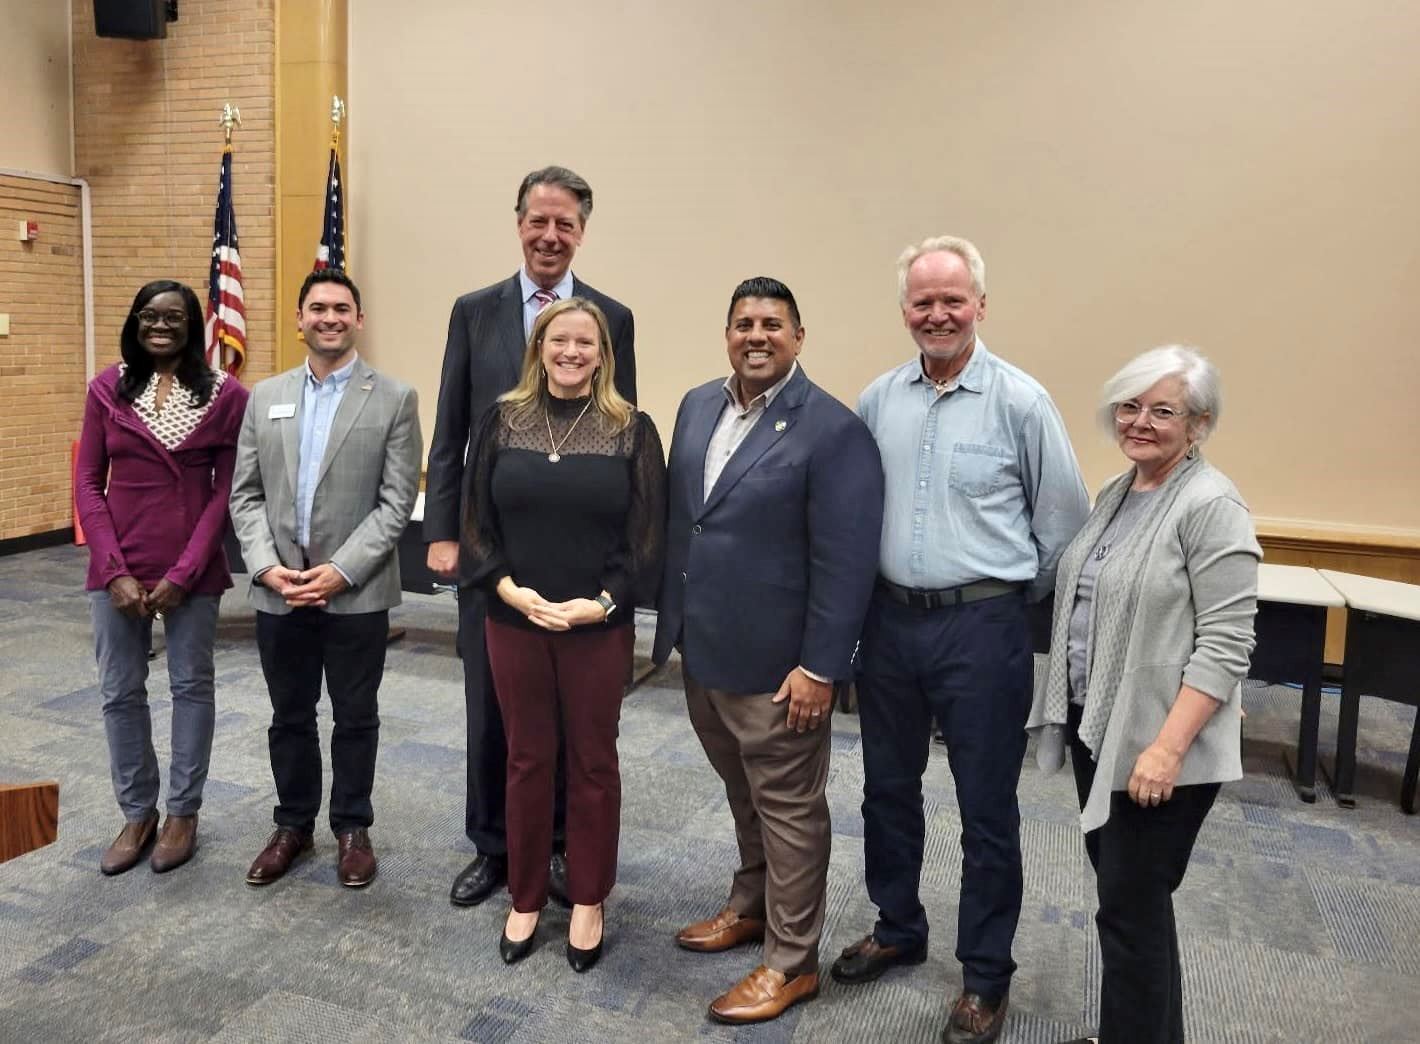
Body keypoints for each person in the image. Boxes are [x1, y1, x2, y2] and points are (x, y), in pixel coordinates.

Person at [835, 235, 1089, 1044]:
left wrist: (999, 605)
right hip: (890, 624)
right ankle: (898, 925)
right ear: (904, 311)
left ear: (981, 304)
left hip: (983, 629)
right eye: (922, 302)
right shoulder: (878, 399)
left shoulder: (1020, 402)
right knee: (886, 789)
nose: (937, 314)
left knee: (986, 811)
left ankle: (985, 976)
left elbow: (1064, 534)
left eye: (953, 300)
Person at [653, 277, 883, 1024]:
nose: (757, 335)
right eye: (744, 323)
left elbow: (845, 563)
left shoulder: (831, 429)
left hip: (782, 672)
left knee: (790, 813)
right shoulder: (696, 406)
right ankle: (750, 906)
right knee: (741, 794)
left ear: (799, 337)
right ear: (727, 334)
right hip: (706, 654)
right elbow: (690, 522)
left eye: (773, 324)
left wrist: (821, 666)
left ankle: (790, 963)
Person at [1029, 346, 1259, 1044]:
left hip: (1160, 748)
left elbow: (1227, 643)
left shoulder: (1211, 504)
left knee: (1129, 910)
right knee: (1134, 907)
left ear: (1200, 424)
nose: (1140, 421)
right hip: (1106, 730)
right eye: (1130, 406)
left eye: (1163, 410)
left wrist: (1166, 748)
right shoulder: (1119, 493)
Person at [424, 165, 637, 910]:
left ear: (582, 232)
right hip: (492, 554)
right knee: (494, 706)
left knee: (574, 719)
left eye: (566, 225)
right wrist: (442, 533)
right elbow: (451, 426)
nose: (551, 236)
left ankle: (553, 849)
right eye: (538, 221)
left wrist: (616, 570)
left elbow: (623, 438)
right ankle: (495, 844)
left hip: (577, 554)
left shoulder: (612, 316)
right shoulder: (474, 311)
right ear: (518, 223)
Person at [460, 297, 665, 972]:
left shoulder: (630, 429)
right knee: (525, 757)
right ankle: (523, 896)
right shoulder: (501, 420)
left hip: (595, 627)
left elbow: (645, 538)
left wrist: (601, 603)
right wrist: (508, 589)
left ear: (603, 354)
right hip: (512, 620)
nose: (571, 351)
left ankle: (586, 896)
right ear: (539, 348)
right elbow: (475, 521)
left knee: (592, 761)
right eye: (559, 340)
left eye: (586, 342)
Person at [229, 269, 421, 889]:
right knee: (289, 714)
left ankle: (351, 828)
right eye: (317, 308)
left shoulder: (393, 397)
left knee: (355, 714)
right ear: (299, 318)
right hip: (279, 589)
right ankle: (291, 825)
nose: (329, 317)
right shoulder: (266, 396)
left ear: (358, 319)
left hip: (356, 593)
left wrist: (340, 571)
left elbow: (396, 503)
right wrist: (264, 566)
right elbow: (246, 495)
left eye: (341, 308)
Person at [75, 279, 249, 876]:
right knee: (119, 690)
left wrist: (182, 572)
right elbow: (87, 487)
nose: (160, 325)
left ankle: (182, 813)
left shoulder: (227, 395)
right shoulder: (107, 388)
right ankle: (138, 812)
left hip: (192, 571)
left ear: (194, 324)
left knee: (191, 687)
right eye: (149, 315)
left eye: (174, 316)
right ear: (135, 320)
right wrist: (114, 571)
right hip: (116, 567)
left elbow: (225, 495)